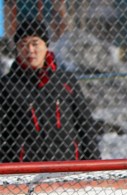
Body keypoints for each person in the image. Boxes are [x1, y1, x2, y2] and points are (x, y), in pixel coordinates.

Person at [0, 19, 100, 162]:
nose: (30, 50)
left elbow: (85, 124)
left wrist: (93, 162)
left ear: (46, 45)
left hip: (69, 167)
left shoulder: (65, 81)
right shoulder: (7, 86)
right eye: (23, 44)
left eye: (35, 43)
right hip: (25, 171)